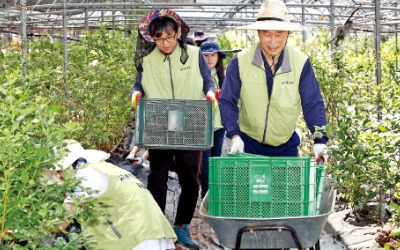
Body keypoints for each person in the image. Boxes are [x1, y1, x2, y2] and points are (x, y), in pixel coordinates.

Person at [130, 9, 216, 250]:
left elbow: (207, 79)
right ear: (152, 39)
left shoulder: (195, 54)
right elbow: (138, 84)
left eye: (169, 37)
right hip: (159, 121)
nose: (165, 44)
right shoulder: (147, 59)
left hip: (190, 120)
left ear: (178, 33)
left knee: (190, 177)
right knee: (157, 176)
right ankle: (157, 226)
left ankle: (182, 226)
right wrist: (136, 93)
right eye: (159, 39)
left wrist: (210, 91)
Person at [218, 0, 329, 161]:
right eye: (267, 34)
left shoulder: (300, 63)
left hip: (286, 146)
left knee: (285, 187)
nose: (273, 41)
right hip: (248, 144)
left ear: (287, 34)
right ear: (258, 33)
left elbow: (312, 103)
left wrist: (320, 139)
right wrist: (234, 135)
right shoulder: (241, 61)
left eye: (279, 34)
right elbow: (227, 101)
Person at [47, 140, 177, 250]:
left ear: (67, 167)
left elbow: (62, 221)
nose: (59, 177)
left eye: (59, 172)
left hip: (137, 239)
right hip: (154, 231)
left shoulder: (84, 178)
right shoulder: (103, 167)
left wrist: (33, 232)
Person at [199, 40, 226, 198]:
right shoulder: (198, 75)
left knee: (217, 159)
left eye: (213, 55)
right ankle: (206, 192)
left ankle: (215, 191)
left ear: (218, 57)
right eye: (206, 56)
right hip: (203, 123)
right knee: (206, 160)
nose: (210, 59)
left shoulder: (223, 76)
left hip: (219, 123)